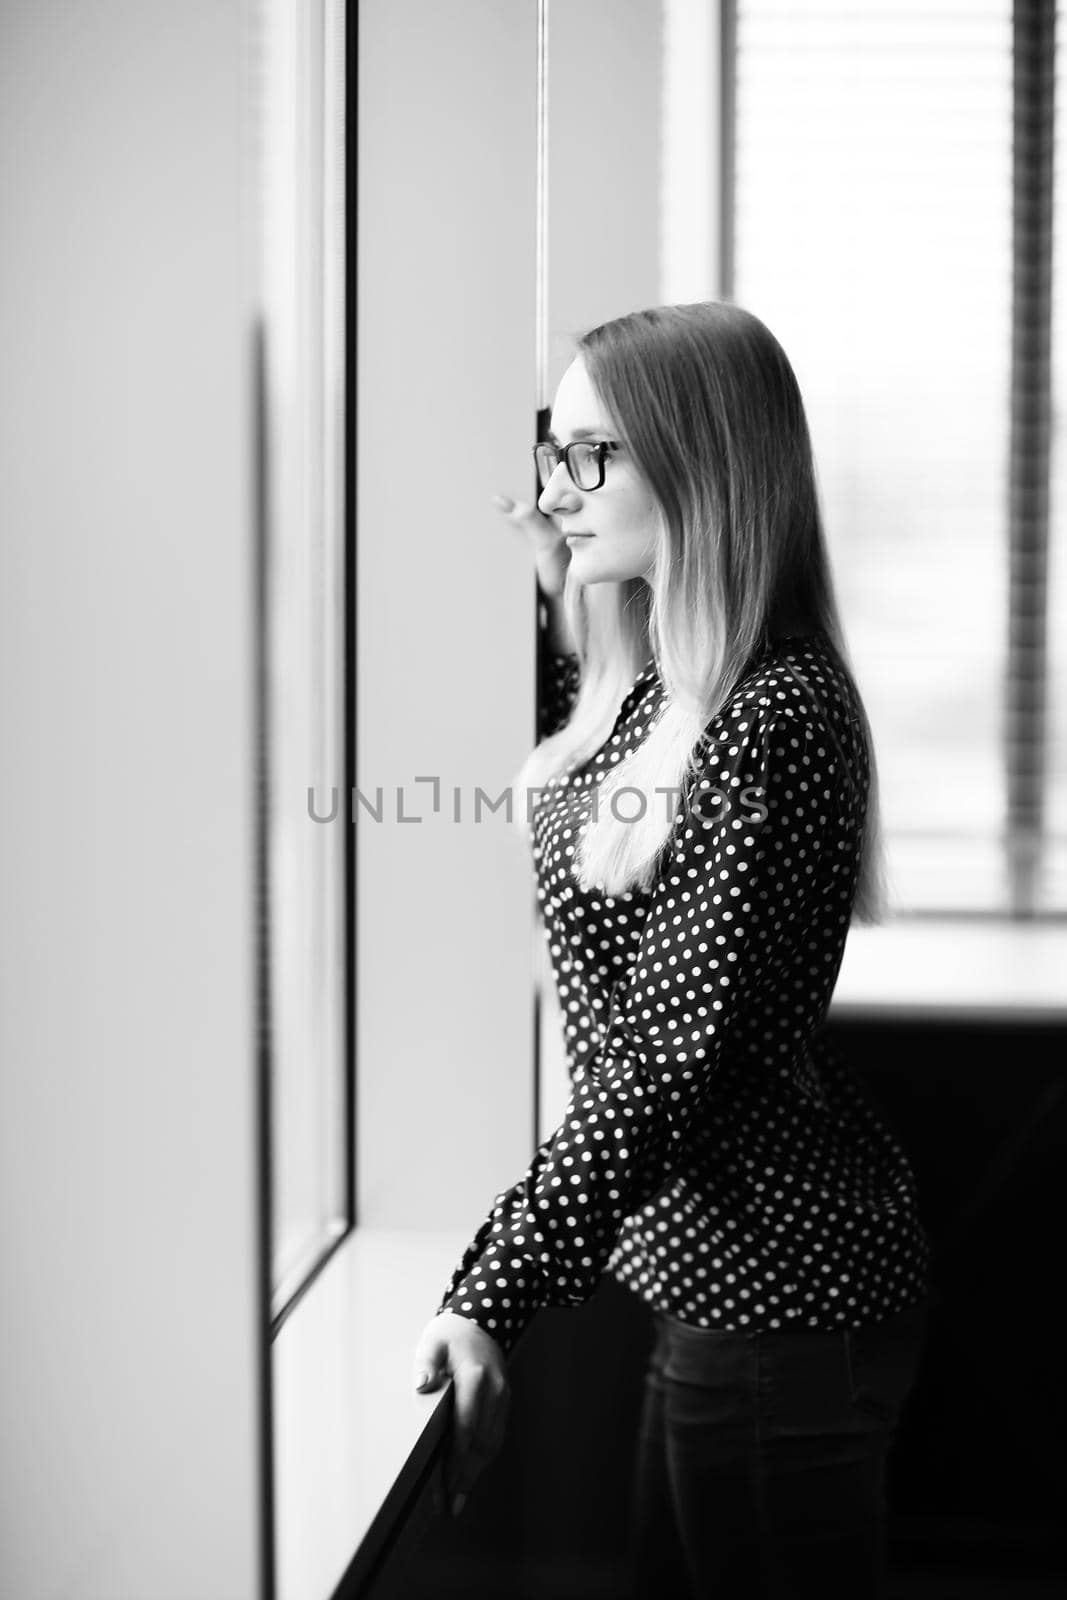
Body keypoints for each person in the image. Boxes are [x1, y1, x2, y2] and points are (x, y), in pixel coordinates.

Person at [411, 301, 930, 1598]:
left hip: (779, 1303)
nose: (556, 486)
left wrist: (491, 1290)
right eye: (551, 451)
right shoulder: (676, 690)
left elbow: (656, 1065)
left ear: (700, 466)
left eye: (595, 456)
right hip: (722, 1285)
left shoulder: (776, 718)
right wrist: (567, 590)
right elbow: (586, 802)